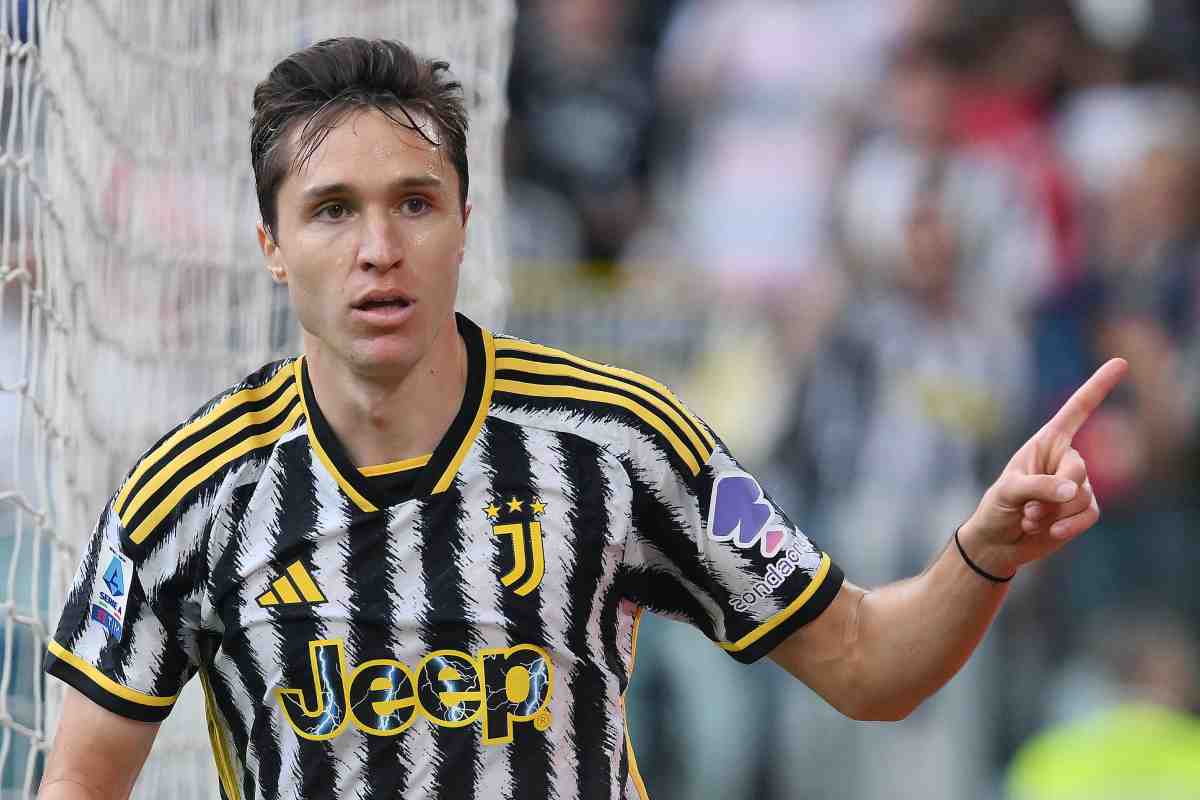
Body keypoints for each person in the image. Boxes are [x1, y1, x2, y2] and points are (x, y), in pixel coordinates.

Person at [36, 37, 1126, 800]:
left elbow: (866, 662)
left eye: (414, 202)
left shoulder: (621, 441)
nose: (379, 249)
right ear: (272, 247)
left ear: (466, 221)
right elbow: (81, 780)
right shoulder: (193, 491)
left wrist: (984, 550)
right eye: (332, 211)